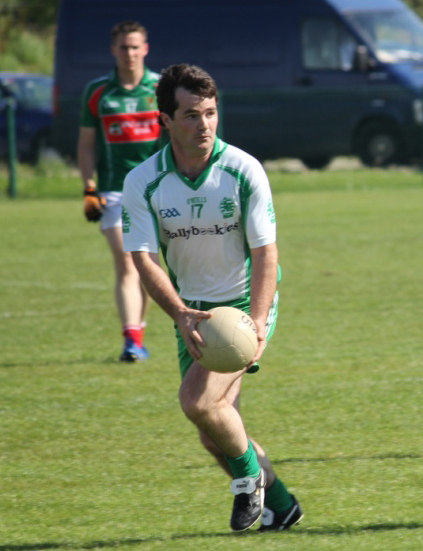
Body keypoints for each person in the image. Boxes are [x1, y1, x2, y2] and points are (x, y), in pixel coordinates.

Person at [121, 64, 303, 532]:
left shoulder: (243, 170)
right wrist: (180, 313)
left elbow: (266, 253)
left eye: (210, 113)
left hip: (244, 303)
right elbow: (143, 259)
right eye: (190, 115)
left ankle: (248, 486)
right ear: (165, 120)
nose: (203, 125)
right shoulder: (143, 181)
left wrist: (257, 322)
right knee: (213, 433)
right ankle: (281, 506)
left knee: (197, 402)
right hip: (192, 312)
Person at [77, 20, 163, 362]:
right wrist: (88, 187)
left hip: (155, 191)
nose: (129, 53)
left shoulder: (160, 89)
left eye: (135, 46)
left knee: (149, 268)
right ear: (114, 50)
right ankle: (130, 341)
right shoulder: (98, 92)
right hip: (114, 192)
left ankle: (137, 333)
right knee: (127, 262)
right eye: (123, 47)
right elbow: (85, 145)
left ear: (146, 49)